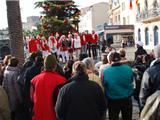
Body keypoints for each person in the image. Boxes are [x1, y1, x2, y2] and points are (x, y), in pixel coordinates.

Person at [30, 55, 66, 120]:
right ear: (55, 66)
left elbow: (32, 98)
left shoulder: (34, 80)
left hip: (39, 115)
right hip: (54, 115)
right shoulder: (62, 80)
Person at [103, 52, 133, 120]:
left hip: (113, 100)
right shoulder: (128, 69)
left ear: (109, 61)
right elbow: (131, 80)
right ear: (120, 59)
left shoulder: (106, 72)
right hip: (126, 98)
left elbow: (104, 85)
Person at [139, 44, 160, 108]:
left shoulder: (149, 72)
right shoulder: (149, 71)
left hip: (155, 108)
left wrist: (144, 108)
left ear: (155, 55)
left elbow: (143, 95)